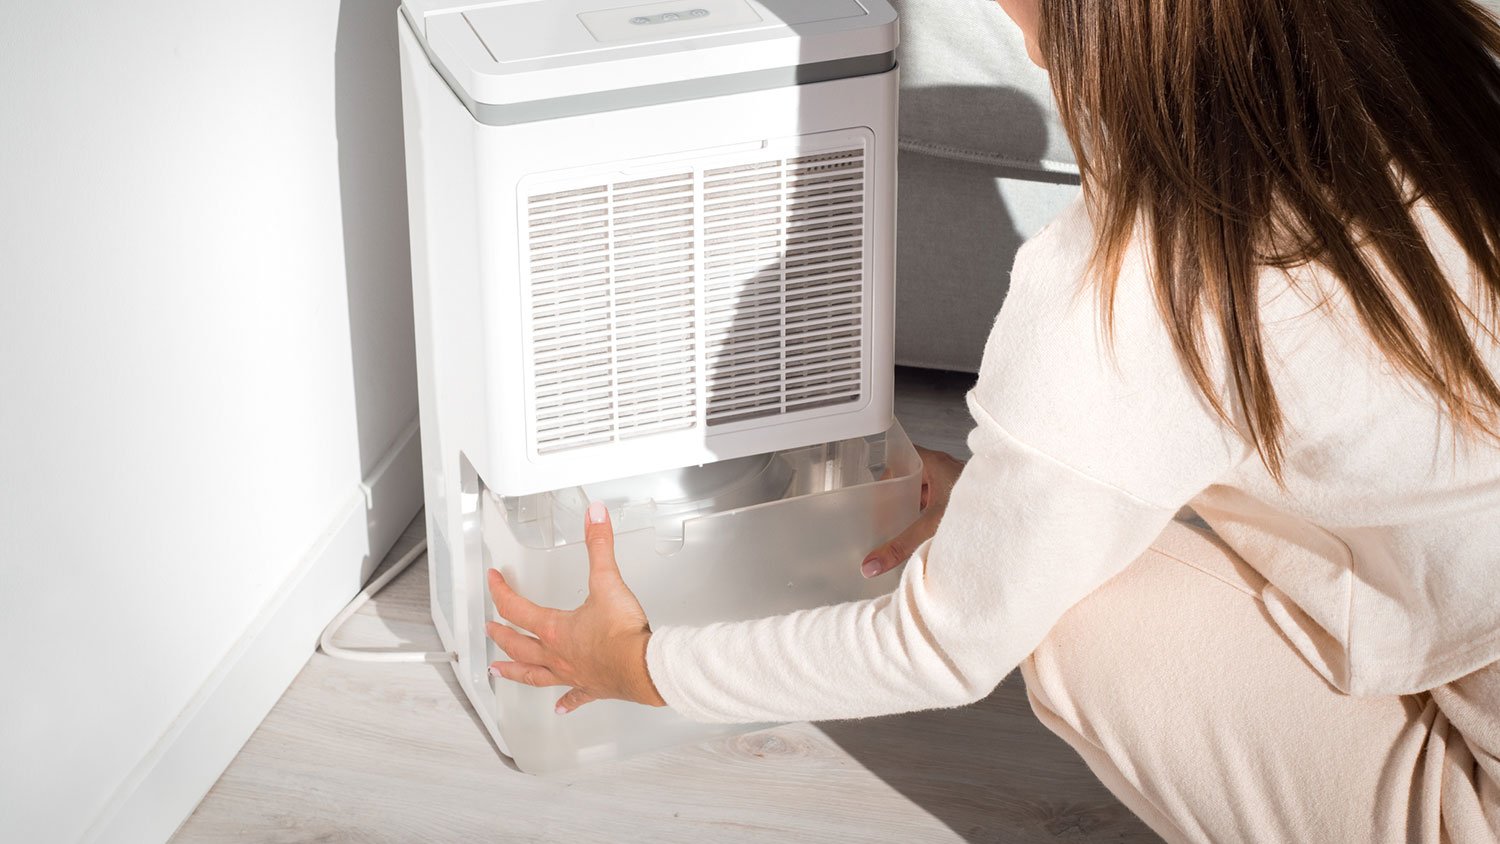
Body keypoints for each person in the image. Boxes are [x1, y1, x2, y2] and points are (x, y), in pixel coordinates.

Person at [482, 0, 1500, 839]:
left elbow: (942, 644)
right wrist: (1003, 503)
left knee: (1070, 611)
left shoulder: (1133, 291)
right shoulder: (1449, 56)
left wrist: (642, 665)